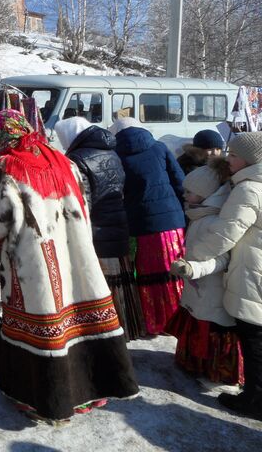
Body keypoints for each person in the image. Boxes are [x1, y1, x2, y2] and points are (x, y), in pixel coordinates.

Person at [0, 109, 139, 422]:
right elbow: (84, 203)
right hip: (76, 253)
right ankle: (92, 388)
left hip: (32, 262)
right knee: (79, 316)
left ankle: (46, 398)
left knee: (45, 322)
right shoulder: (61, 159)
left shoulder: (3, 167)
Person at [187, 132, 262, 420]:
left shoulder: (249, 189)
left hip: (252, 270)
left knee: (254, 337)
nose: (226, 159)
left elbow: (224, 234)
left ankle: (255, 400)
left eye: (232, 155)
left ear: (249, 159)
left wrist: (194, 259)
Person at [54, 117, 146, 341]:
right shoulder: (110, 151)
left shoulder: (76, 159)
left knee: (101, 284)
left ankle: (106, 333)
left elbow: (81, 202)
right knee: (120, 281)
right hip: (118, 223)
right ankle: (126, 327)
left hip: (97, 229)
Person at [165, 162, 243, 385]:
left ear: (206, 194)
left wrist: (193, 269)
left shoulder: (212, 220)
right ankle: (196, 363)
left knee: (210, 326)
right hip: (199, 286)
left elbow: (221, 258)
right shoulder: (201, 215)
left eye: (190, 191)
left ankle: (212, 369)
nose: (184, 194)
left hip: (210, 286)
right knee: (199, 319)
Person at [112, 117, 185, 336]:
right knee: (175, 272)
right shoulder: (160, 148)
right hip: (172, 222)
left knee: (148, 275)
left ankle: (155, 322)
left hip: (140, 224)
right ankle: (180, 322)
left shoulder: (117, 155)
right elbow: (179, 181)